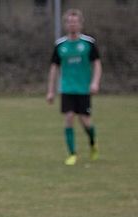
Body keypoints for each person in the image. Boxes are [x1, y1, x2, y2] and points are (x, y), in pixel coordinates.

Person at [46, 8, 101, 166]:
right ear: (65, 24)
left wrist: (95, 82)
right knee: (69, 118)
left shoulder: (88, 43)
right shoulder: (60, 45)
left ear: (80, 24)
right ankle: (72, 154)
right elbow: (54, 68)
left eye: (75, 22)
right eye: (69, 22)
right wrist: (51, 91)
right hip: (67, 88)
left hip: (83, 88)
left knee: (85, 121)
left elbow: (97, 64)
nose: (72, 25)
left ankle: (92, 142)